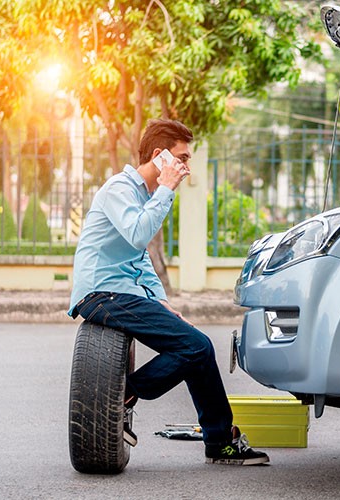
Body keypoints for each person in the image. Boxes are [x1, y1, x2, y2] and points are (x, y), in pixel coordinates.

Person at [68, 118, 268, 466]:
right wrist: (166, 190)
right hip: (102, 294)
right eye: (182, 158)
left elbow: (138, 257)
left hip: (122, 294)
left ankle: (219, 441)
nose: (186, 168)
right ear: (159, 156)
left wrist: (161, 302)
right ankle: (125, 394)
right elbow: (138, 236)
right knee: (197, 346)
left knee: (197, 348)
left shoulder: (142, 194)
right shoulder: (119, 189)